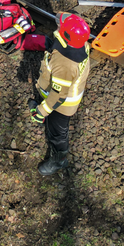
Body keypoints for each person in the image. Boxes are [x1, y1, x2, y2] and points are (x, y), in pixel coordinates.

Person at [28, 12, 92, 176]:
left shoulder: (64, 63)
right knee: (53, 124)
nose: (59, 26)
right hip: (57, 96)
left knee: (57, 133)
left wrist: (41, 112)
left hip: (62, 106)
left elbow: (58, 95)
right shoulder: (79, 45)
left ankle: (58, 160)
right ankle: (46, 112)